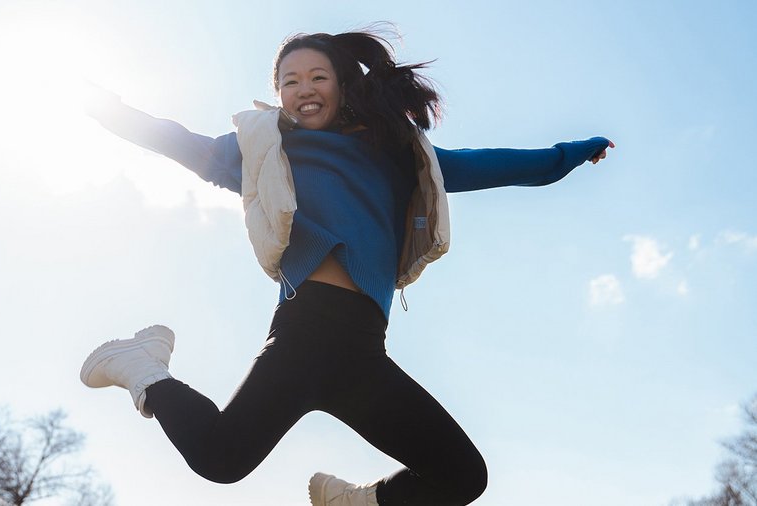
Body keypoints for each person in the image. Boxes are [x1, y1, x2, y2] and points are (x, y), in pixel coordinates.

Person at [79, 28, 613, 506]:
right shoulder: (267, 153)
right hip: (303, 334)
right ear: (280, 96)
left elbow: (492, 164)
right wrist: (111, 111)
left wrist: (567, 153)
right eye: (289, 81)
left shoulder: (397, 155)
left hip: (362, 351)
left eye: (317, 76)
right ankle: (144, 368)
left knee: (462, 477)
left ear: (343, 85)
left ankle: (358, 503)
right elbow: (178, 140)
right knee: (220, 459)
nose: (303, 88)